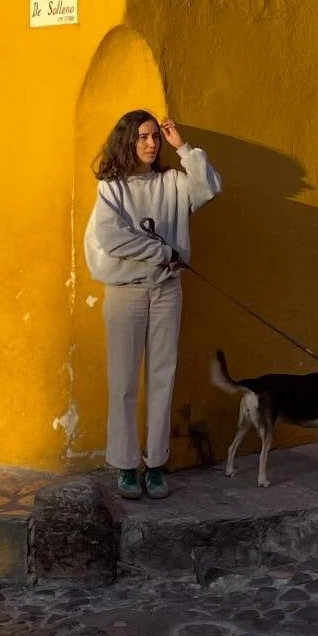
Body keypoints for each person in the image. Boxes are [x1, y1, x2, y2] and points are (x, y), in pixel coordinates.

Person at [84, 111, 222, 500]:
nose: (150, 144)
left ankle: (156, 462)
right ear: (127, 141)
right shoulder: (112, 188)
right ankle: (127, 466)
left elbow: (209, 189)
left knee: (163, 373)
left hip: (166, 291)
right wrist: (162, 250)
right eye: (142, 137)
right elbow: (113, 238)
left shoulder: (172, 182)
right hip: (125, 290)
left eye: (155, 138)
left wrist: (184, 148)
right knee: (124, 380)